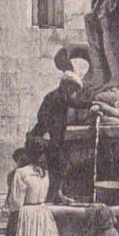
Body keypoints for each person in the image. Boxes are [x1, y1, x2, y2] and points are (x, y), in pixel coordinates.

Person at [29, 71, 93, 201]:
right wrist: (47, 132)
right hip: (45, 137)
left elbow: (78, 104)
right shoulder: (52, 97)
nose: (74, 92)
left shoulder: (64, 98)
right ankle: (49, 195)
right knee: (52, 164)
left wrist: (93, 104)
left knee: (60, 164)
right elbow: (42, 115)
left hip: (56, 138)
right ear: (65, 85)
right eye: (73, 89)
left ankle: (56, 194)